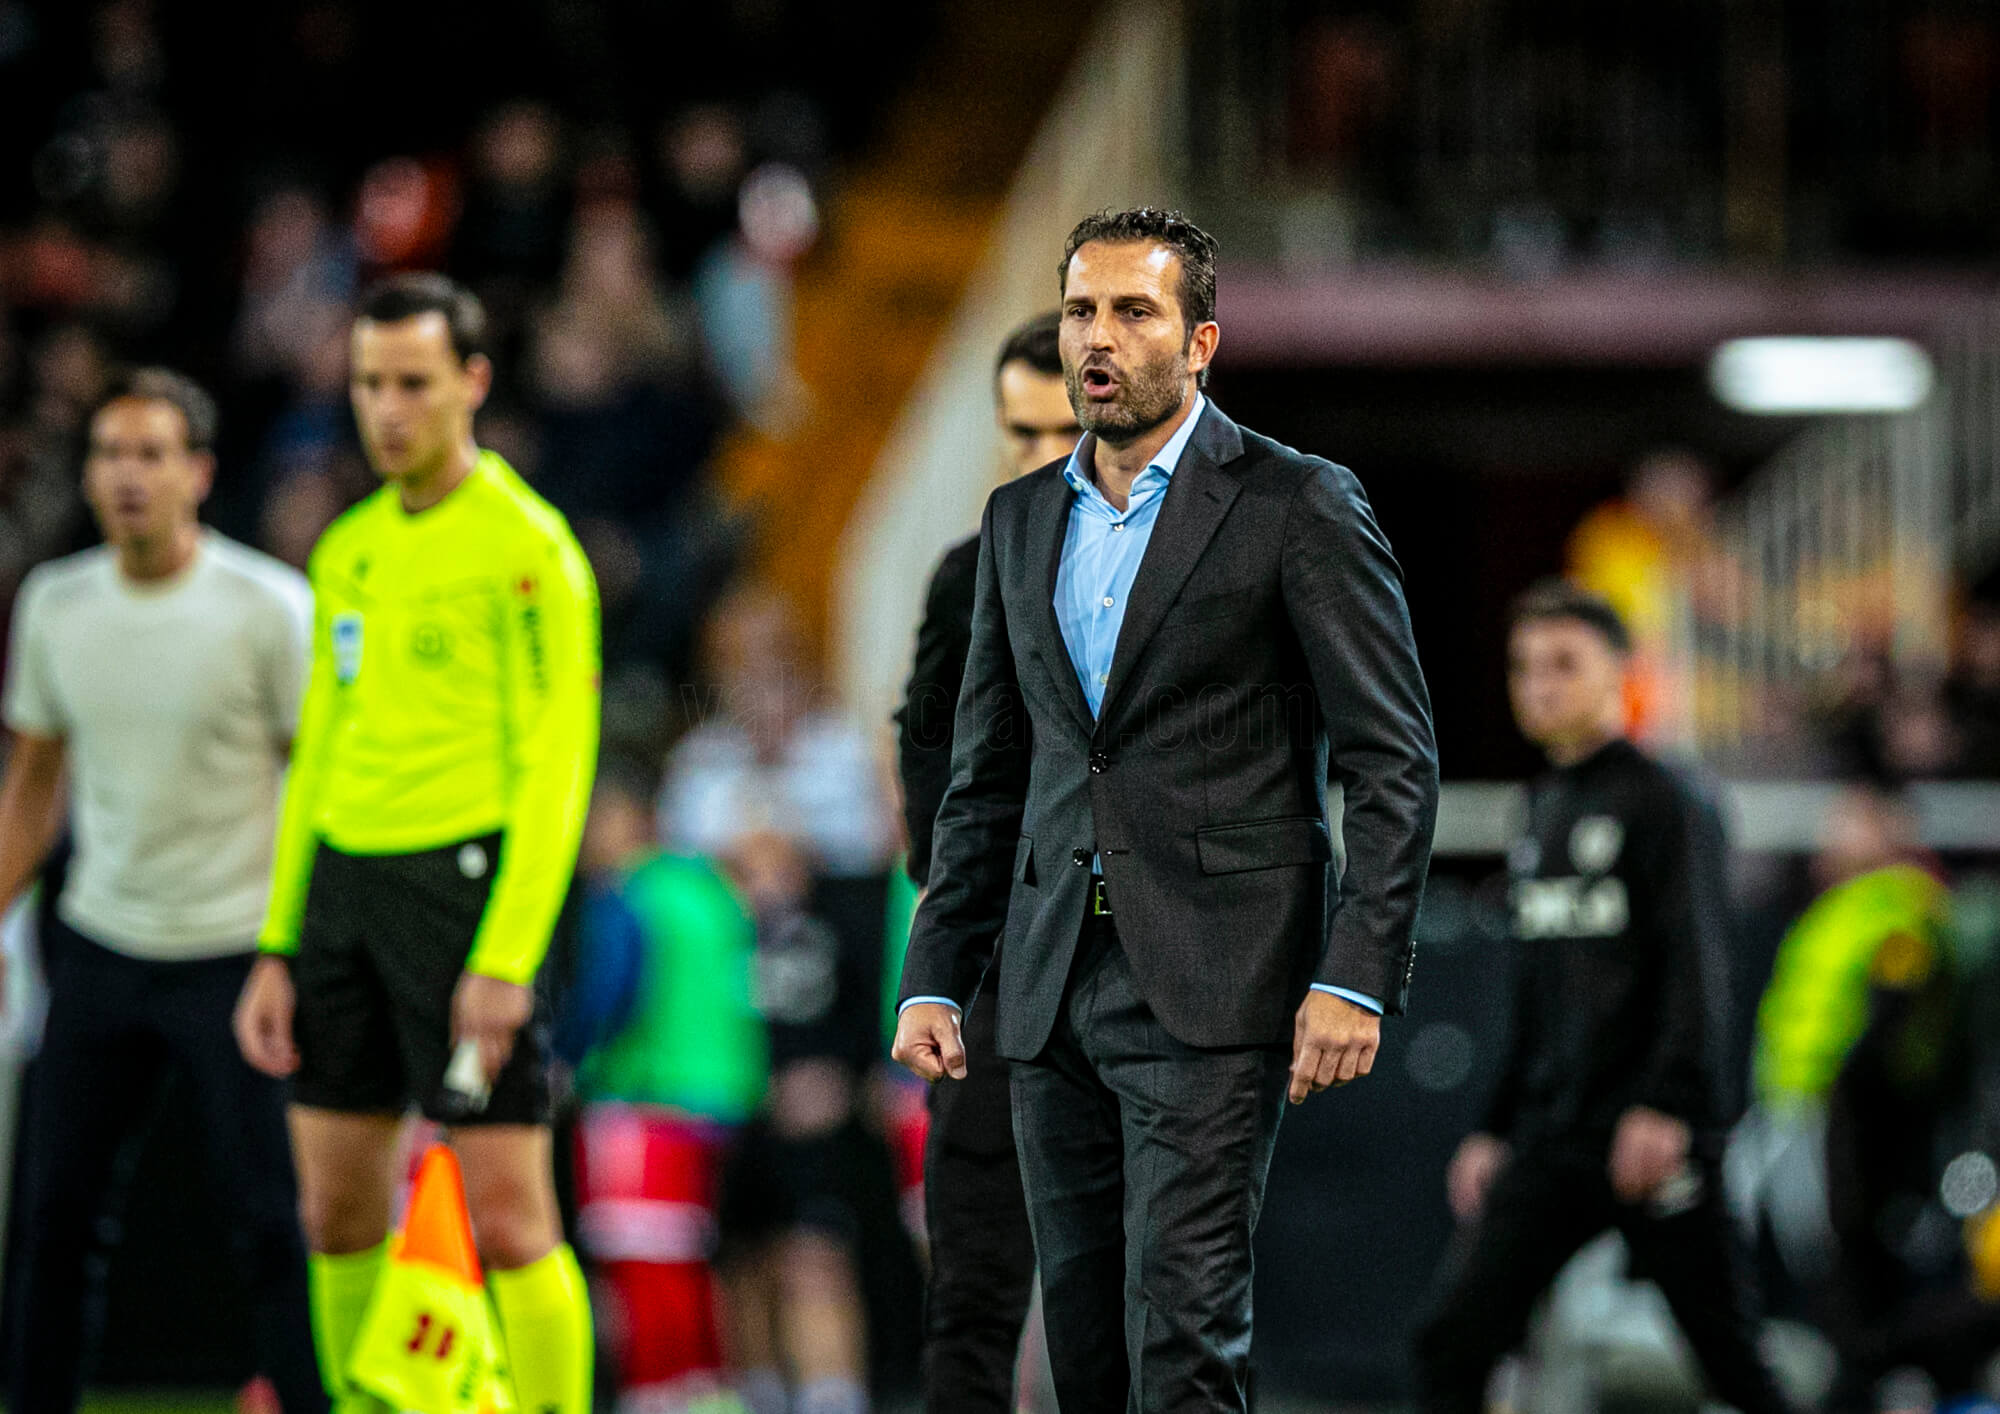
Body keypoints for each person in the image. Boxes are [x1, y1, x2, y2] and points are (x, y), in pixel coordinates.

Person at [891, 207, 1439, 1411]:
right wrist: (935, 972)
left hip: (1215, 980)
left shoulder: (1297, 502)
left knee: (1181, 1338)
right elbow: (988, 775)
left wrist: (1354, 972)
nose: (1100, 336)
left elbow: (1390, 757)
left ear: (1199, 344)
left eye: (1133, 311)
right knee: (1084, 1353)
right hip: (1044, 991)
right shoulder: (1018, 519)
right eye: (1082, 309)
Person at [231, 274, 600, 1414]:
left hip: (466, 893)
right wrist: (281, 939)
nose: (386, 410)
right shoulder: (344, 550)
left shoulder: (531, 548)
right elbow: (319, 759)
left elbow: (556, 766)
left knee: (508, 1215)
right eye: (368, 385)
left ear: (471, 385)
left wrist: (505, 957)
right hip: (342, 894)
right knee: (338, 1212)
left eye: (411, 384)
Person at [0, 369, 324, 1414]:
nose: (126, 475)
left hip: (235, 953)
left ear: (199, 475)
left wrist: (295, 947)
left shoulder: (270, 607)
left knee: (272, 1222)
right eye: (108, 453)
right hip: (99, 944)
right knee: (53, 1220)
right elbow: (34, 786)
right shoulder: (56, 604)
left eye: (150, 454)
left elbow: (318, 784)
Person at [1412, 580, 1789, 1414]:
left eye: (1563, 664)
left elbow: (1700, 967)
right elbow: (1536, 992)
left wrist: (1668, 1106)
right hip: (1554, 1136)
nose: (1539, 685)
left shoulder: (1669, 801)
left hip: (1650, 1140)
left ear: (1621, 672)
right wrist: (1492, 1127)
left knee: (1731, 1362)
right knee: (1452, 1340)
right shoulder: (1539, 806)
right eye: (1523, 667)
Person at [892, 308, 1077, 1414]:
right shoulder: (964, 579)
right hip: (999, 981)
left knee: (1158, 1299)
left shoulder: (1184, 573)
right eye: (1019, 433)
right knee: (969, 1291)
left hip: (1138, 974)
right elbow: (926, 791)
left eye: (1061, 429)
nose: (1041, 458)